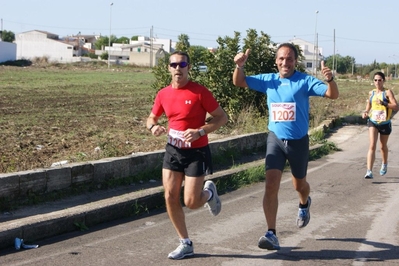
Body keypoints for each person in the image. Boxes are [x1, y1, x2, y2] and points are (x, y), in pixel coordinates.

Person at [233, 43, 339, 250]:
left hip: (298, 142)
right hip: (275, 139)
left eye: (289, 59)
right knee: (271, 184)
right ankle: (271, 233)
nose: (285, 62)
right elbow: (240, 82)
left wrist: (330, 79)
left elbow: (332, 94)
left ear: (295, 61)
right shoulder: (268, 80)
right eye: (281, 58)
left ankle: (304, 202)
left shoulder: (304, 81)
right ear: (276, 61)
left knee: (299, 185)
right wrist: (239, 66)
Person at [146, 51, 228, 260]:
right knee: (169, 195)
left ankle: (209, 193)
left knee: (191, 202)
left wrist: (200, 131)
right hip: (173, 150)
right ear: (168, 68)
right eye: (173, 65)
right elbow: (151, 118)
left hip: (196, 152)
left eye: (182, 64)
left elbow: (221, 118)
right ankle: (185, 242)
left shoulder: (199, 92)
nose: (177, 68)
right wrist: (153, 127)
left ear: (188, 67)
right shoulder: (163, 94)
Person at [361, 71, 398, 179]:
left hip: (385, 123)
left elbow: (396, 106)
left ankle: (384, 163)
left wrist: (384, 103)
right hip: (373, 121)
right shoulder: (371, 93)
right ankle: (369, 171)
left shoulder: (387, 93)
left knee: (382, 146)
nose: (377, 82)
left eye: (380, 80)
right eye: (375, 80)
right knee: (372, 145)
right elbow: (368, 106)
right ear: (373, 81)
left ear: (383, 81)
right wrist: (365, 112)